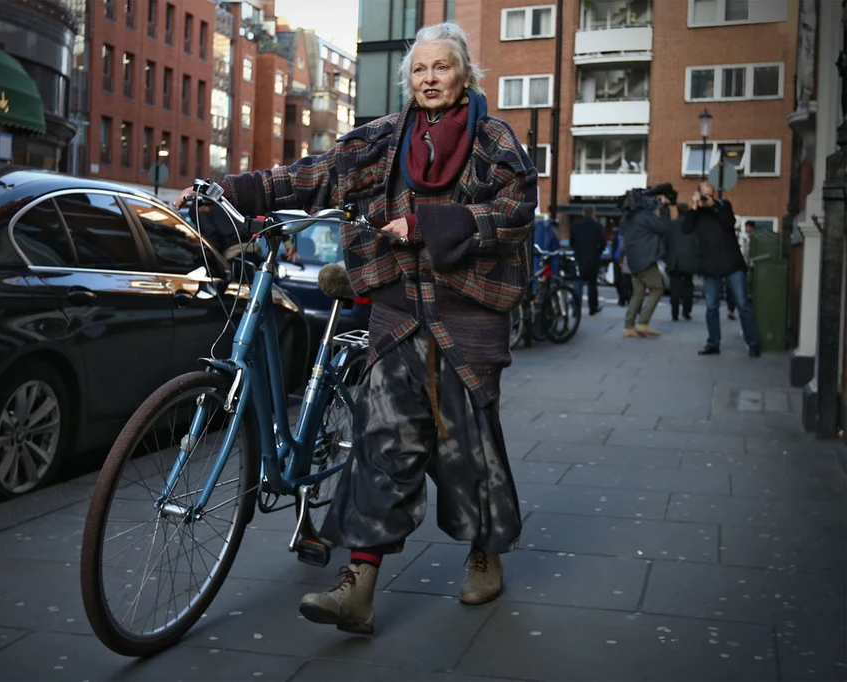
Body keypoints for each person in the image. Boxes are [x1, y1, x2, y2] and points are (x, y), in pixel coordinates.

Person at [176, 21, 535, 634]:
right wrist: (228, 188)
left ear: (463, 74)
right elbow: (312, 173)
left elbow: (514, 210)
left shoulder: (494, 139)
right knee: (381, 443)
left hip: (465, 315)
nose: (428, 78)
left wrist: (426, 225)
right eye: (419, 69)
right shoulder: (382, 139)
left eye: (440, 67)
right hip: (397, 315)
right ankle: (357, 584)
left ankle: (485, 553)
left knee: (467, 447)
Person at [682, 181, 761, 357]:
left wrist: (713, 206)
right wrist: (694, 207)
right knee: (711, 307)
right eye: (703, 195)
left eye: (709, 195)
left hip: (732, 264)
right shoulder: (697, 213)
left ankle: (753, 342)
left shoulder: (723, 206)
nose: (706, 198)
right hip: (711, 267)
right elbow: (685, 228)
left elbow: (729, 222)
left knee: (743, 304)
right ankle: (713, 343)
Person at [619, 183, 673, 338]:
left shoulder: (628, 218)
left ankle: (628, 326)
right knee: (657, 288)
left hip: (634, 260)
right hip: (645, 259)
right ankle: (643, 322)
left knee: (639, 292)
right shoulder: (644, 217)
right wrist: (663, 209)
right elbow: (664, 228)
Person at [664, 202, 699, 321]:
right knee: (688, 286)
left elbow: (665, 243)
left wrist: (666, 258)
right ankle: (687, 311)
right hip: (689, 260)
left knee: (675, 287)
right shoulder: (693, 225)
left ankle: (675, 312)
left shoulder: (671, 225)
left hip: (675, 260)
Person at [569, 207, 607, 315]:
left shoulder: (576, 226)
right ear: (593, 213)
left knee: (578, 283)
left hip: (579, 259)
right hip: (593, 259)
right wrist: (598, 252)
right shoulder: (597, 226)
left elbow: (572, 242)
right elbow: (603, 243)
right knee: (592, 285)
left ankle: (576, 308)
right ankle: (593, 308)